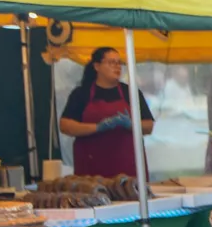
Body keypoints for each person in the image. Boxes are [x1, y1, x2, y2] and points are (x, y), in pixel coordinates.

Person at [59, 46, 155, 177]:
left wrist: (131, 124)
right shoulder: (81, 94)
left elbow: (149, 126)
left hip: (128, 168)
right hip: (91, 170)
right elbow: (65, 126)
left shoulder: (131, 92)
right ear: (97, 66)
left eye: (119, 63)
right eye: (111, 62)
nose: (117, 67)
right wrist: (98, 127)